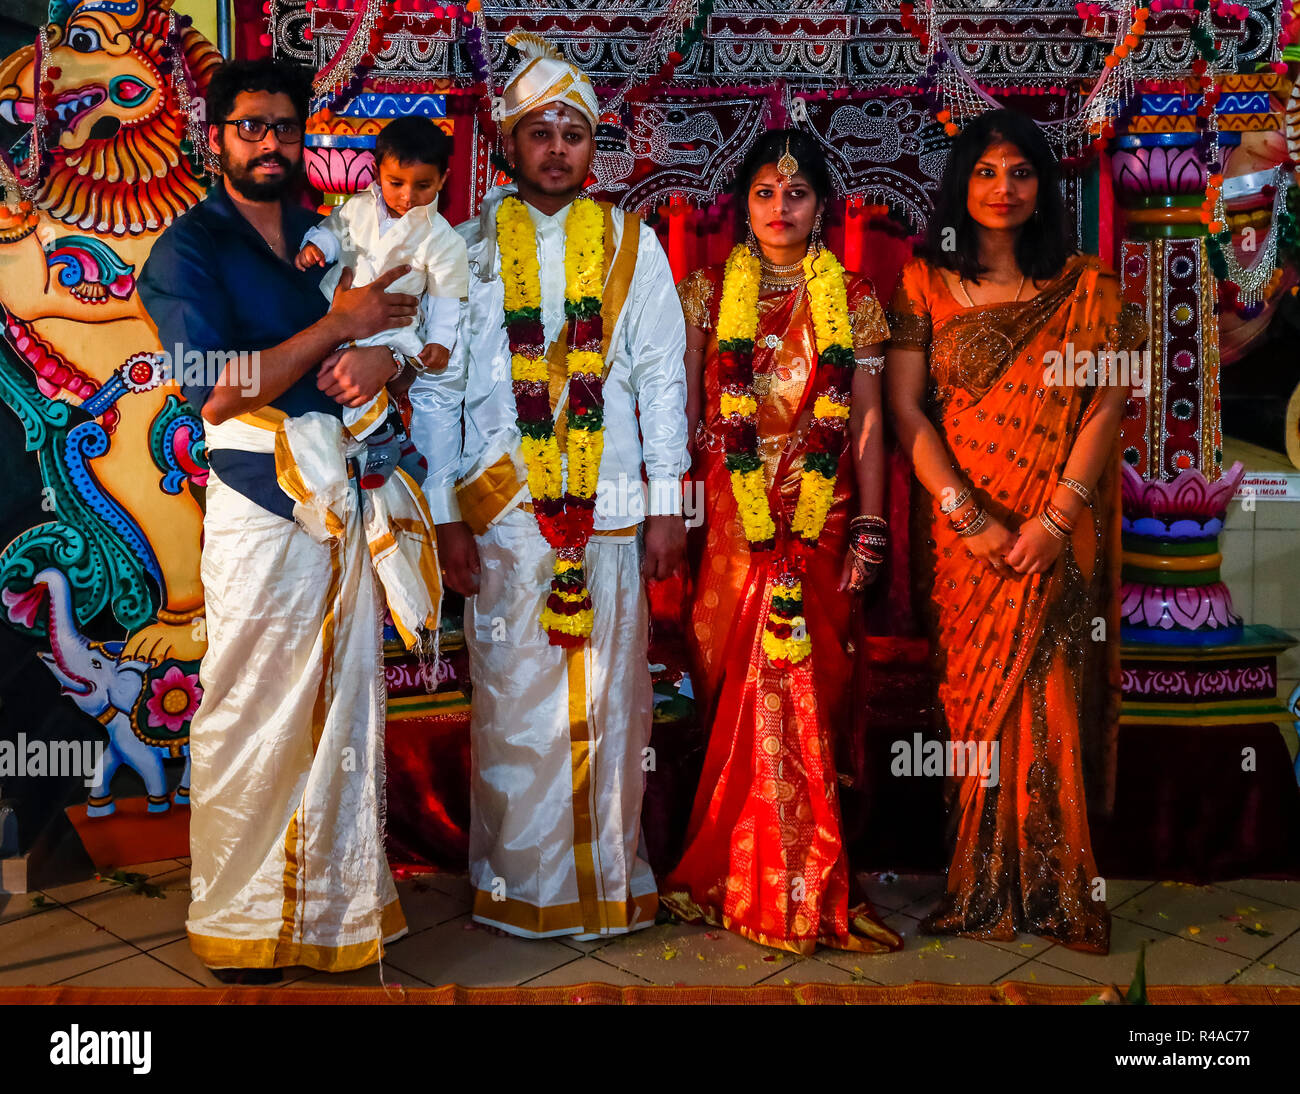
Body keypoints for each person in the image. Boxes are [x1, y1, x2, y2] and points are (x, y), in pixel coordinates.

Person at [138, 58, 442, 981]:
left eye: (284, 126)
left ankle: (330, 914)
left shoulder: (333, 232)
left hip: (347, 492)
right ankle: (239, 918)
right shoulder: (188, 250)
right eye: (250, 127)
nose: (270, 143)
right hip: (262, 508)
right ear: (216, 138)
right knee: (248, 706)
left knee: (343, 709)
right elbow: (220, 394)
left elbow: (411, 332)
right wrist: (335, 327)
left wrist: (391, 362)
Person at [408, 31, 688, 940]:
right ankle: (517, 887)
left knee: (614, 702)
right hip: (503, 512)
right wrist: (447, 516)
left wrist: (666, 505)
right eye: (541, 131)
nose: (558, 148)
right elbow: (441, 390)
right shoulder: (466, 248)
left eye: (575, 132)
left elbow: (659, 376)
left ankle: (608, 882)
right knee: (515, 701)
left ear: (593, 147)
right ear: (509, 143)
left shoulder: (633, 246)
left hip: (608, 510)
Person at [885, 108, 1145, 953]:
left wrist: (1056, 515)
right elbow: (904, 410)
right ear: (962, 182)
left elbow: (1107, 405)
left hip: (1054, 527)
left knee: (1053, 699)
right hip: (965, 541)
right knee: (972, 705)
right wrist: (967, 516)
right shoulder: (925, 282)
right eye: (988, 172)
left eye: (1021, 172)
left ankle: (1056, 888)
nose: (1003, 188)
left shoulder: (1089, 287)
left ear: (1046, 187)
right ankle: (979, 884)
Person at [659, 129, 901, 954]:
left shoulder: (855, 296)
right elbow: (686, 414)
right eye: (764, 192)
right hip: (734, 514)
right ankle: (736, 868)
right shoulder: (704, 291)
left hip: (821, 514)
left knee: (810, 682)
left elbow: (864, 421)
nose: (780, 208)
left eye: (795, 194)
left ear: (823, 207)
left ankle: (806, 874)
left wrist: (870, 519)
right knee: (740, 682)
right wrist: (674, 501)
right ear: (743, 206)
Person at [296, 115, 468, 488]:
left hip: (391, 327)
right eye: (396, 183)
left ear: (443, 178)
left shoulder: (442, 239)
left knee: (355, 379)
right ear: (377, 173)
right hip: (338, 309)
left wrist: (440, 340)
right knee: (327, 371)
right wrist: (317, 247)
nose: (408, 196)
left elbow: (445, 295)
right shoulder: (358, 207)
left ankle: (383, 440)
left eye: (423, 185)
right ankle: (399, 443)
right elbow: (333, 228)